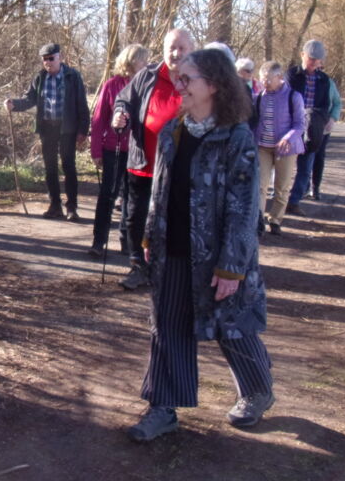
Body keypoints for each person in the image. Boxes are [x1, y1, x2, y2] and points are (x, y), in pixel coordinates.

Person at [127, 48, 273, 443]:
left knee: (231, 327)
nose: (180, 84)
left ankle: (258, 391)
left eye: (188, 79)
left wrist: (232, 267)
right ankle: (163, 406)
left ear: (214, 85)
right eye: (180, 77)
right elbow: (159, 188)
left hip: (218, 255)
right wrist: (148, 235)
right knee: (167, 325)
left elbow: (244, 209)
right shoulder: (175, 129)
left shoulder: (236, 137)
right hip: (172, 248)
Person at [112, 29, 192, 290]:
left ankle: (168, 269)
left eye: (181, 47)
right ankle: (138, 266)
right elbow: (123, 99)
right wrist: (120, 115)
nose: (176, 53)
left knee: (170, 218)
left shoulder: (198, 78)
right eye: (171, 47)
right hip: (142, 162)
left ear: (191, 49)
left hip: (178, 168)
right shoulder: (147, 76)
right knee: (135, 218)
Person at [5, 43, 89, 221]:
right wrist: (14, 105)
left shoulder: (72, 76)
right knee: (50, 168)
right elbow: (30, 99)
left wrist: (83, 130)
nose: (48, 62)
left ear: (60, 57)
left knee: (69, 166)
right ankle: (55, 205)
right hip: (47, 128)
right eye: (45, 59)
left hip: (67, 128)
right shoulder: (40, 77)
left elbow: (82, 104)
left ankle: (72, 208)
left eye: (51, 58)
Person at [88, 44, 149, 258]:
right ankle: (99, 240)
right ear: (131, 61)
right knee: (108, 195)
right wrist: (95, 150)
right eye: (142, 60)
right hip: (112, 148)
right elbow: (98, 120)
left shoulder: (147, 85)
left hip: (138, 151)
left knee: (131, 198)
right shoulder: (112, 85)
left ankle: (127, 241)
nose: (146, 64)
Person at [253, 60, 305, 236]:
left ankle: (275, 220)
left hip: (286, 149)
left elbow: (299, 124)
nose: (265, 83)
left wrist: (287, 138)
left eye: (268, 79)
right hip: (263, 147)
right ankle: (258, 219)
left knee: (281, 187)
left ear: (280, 78)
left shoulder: (293, 97)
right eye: (262, 79)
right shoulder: (259, 97)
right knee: (260, 185)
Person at [285, 39, 335, 215]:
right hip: (291, 124)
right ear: (302, 55)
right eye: (310, 58)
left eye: (317, 59)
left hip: (313, 126)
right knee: (284, 166)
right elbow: (286, 98)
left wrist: (322, 120)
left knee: (306, 167)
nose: (313, 62)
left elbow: (325, 104)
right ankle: (278, 200)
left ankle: (294, 201)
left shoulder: (324, 80)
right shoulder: (292, 75)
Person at [309, 77, 342, 201]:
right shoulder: (300, 79)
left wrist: (332, 119)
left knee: (319, 156)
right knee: (304, 156)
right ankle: (304, 186)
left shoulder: (328, 82)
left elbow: (337, 103)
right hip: (305, 124)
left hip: (323, 125)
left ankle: (315, 187)